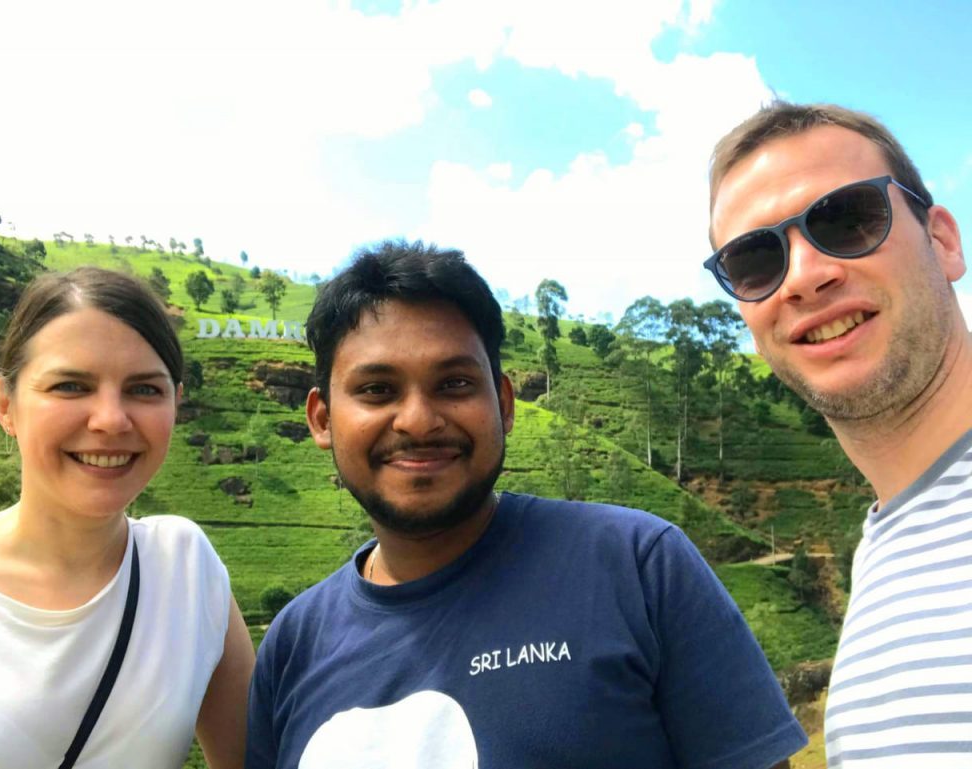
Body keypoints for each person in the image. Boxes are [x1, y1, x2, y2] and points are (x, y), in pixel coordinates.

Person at [246, 240, 805, 769]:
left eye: (455, 384)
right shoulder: (293, 646)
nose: (417, 420)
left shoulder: (637, 566)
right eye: (377, 390)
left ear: (504, 404)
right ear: (321, 418)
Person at [706, 102, 972, 768]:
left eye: (847, 219)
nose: (804, 275)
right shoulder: (881, 557)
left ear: (942, 240)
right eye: (754, 259)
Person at [0, 267, 255, 768]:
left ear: (176, 404)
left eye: (145, 390)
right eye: (71, 386)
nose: (111, 419)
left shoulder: (186, 569)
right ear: (5, 403)